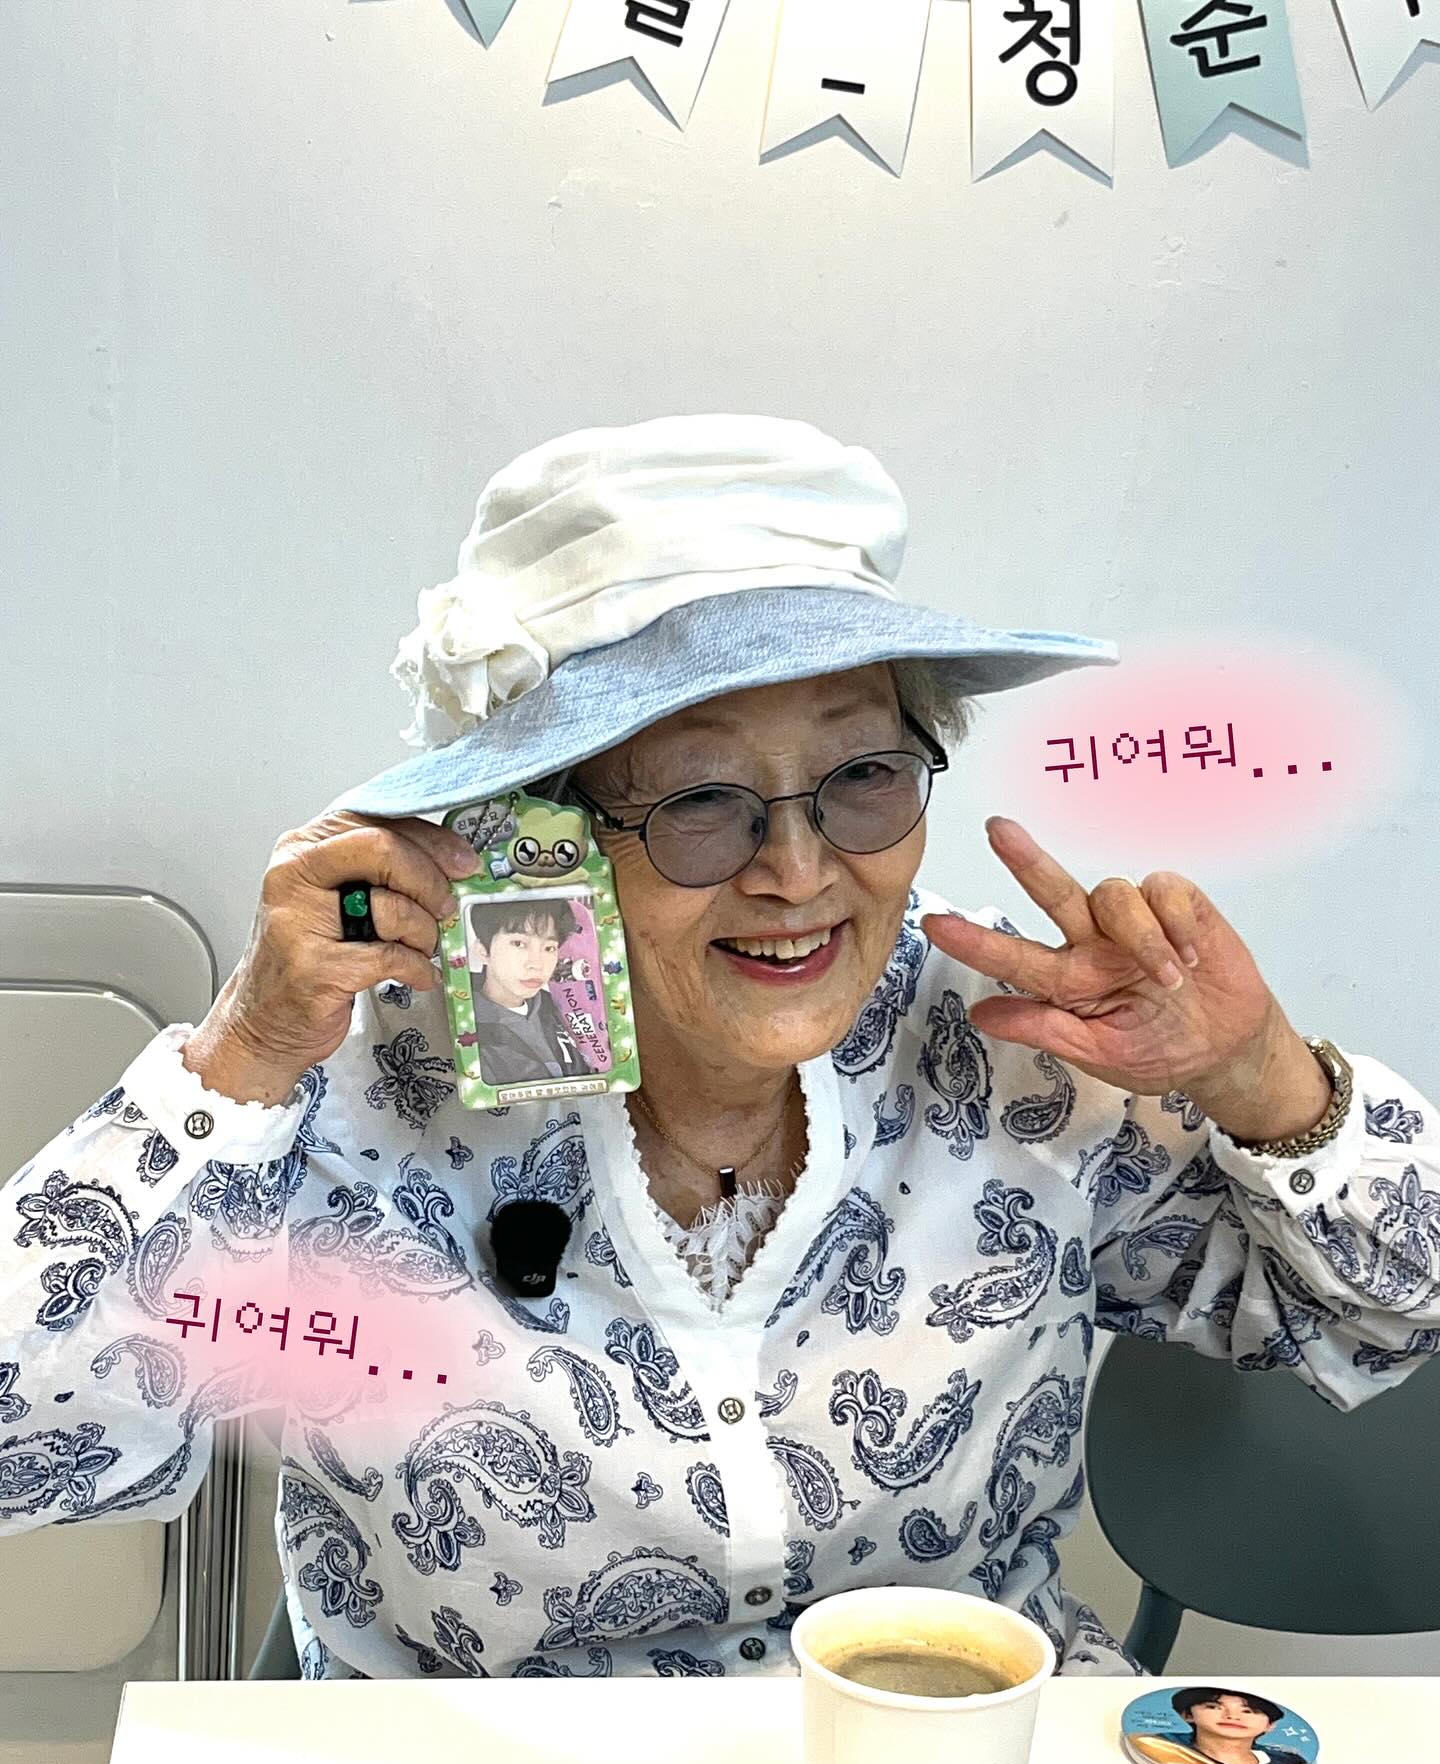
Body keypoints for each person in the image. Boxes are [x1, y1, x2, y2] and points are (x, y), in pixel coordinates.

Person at [3, 414, 1439, 1683]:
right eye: (699, 798)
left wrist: (1259, 1081)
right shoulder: (358, 1090)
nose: (798, 873)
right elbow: (27, 1443)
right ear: (536, 832)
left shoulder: (1017, 1044)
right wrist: (246, 1053)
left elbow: (1392, 1318)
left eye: (862, 776)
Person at [466, 897, 592, 1085]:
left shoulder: (559, 1006)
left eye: (549, 948)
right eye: (519, 944)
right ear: (483, 950)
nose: (536, 964)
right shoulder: (465, 1025)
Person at [1128, 1687, 1310, 1764]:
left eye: (1248, 1711)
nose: (1232, 1716)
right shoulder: (1159, 1745)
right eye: (1214, 1707)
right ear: (1188, 1714)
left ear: (1270, 1725)